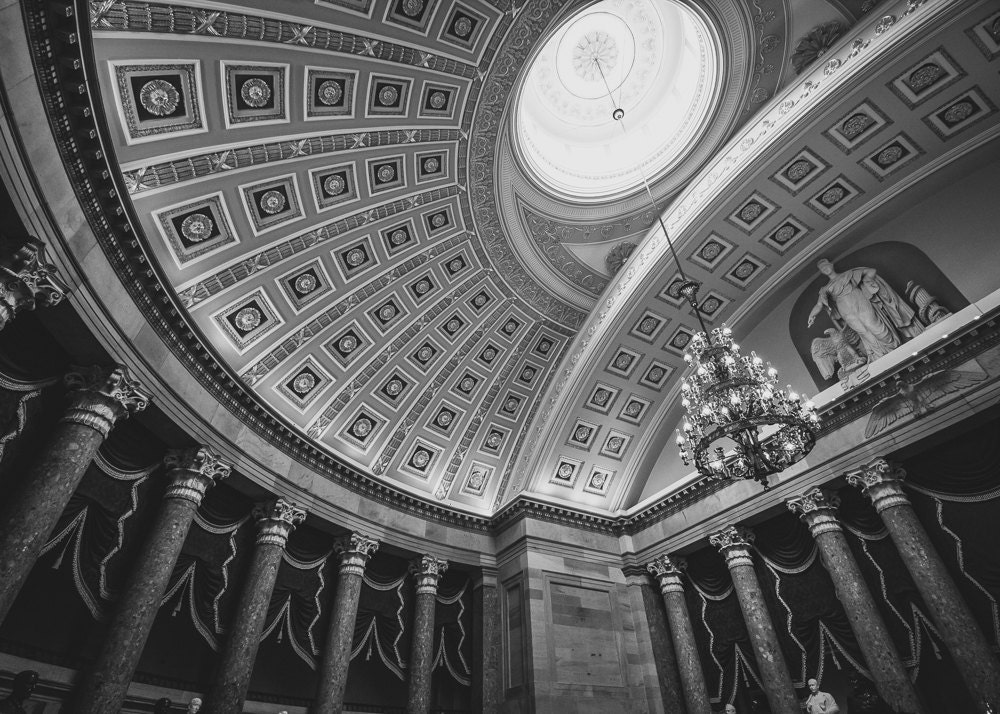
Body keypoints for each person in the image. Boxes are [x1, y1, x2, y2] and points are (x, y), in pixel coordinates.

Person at [807, 258, 923, 361]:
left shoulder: (848, 274)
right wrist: (811, 316)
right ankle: (882, 355)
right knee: (863, 331)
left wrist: (867, 281)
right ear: (821, 272)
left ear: (831, 265)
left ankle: (894, 347)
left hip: (859, 301)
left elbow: (871, 271)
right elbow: (819, 305)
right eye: (822, 268)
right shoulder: (825, 288)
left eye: (826, 265)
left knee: (874, 325)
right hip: (846, 311)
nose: (825, 268)